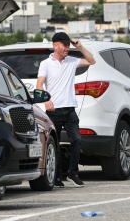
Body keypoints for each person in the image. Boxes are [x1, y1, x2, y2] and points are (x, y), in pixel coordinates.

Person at [37, 32, 96, 188]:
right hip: (54, 111)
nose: (67, 48)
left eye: (68, 45)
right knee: (54, 145)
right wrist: (46, 100)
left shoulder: (71, 61)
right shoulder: (46, 64)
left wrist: (80, 46)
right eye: (64, 45)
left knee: (76, 140)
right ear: (55, 45)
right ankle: (56, 177)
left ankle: (73, 174)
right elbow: (39, 85)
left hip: (70, 110)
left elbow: (92, 60)